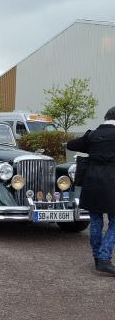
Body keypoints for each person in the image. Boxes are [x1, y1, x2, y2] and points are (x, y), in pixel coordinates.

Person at [67, 106, 115, 275]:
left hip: (91, 183)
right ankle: (104, 258)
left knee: (95, 220)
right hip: (112, 184)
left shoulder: (92, 135)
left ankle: (97, 257)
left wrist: (91, 147)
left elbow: (71, 145)